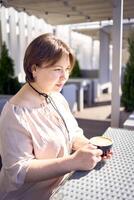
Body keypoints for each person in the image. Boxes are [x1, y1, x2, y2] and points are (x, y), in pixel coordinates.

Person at [0, 33, 111, 200]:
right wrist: (73, 161)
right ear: (34, 68)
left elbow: (73, 133)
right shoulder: (15, 113)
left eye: (66, 69)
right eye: (57, 69)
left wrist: (91, 148)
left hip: (62, 189)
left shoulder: (56, 97)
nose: (65, 77)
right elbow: (18, 171)